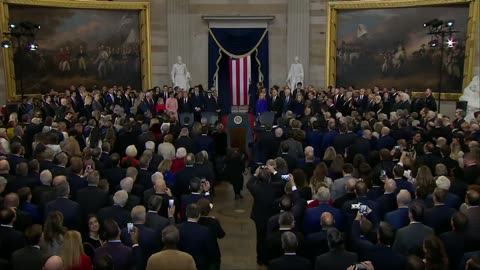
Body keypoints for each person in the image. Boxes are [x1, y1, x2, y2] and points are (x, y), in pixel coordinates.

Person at [247, 165, 277, 265]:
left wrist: (255, 174)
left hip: (259, 217)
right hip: (271, 216)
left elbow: (248, 184)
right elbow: (284, 181)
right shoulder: (274, 188)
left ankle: (260, 259)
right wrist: (274, 172)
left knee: (260, 238)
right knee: (270, 237)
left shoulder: (256, 189)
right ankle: (268, 258)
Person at [178, 204, 216, 270]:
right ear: (199, 215)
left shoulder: (178, 227)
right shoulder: (206, 231)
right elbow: (211, 251)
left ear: (186, 213)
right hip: (200, 265)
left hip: (181, 263)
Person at [197, 199, 225, 270]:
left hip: (199, 253)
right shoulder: (213, 222)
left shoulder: (195, 221)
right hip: (212, 252)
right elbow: (221, 235)